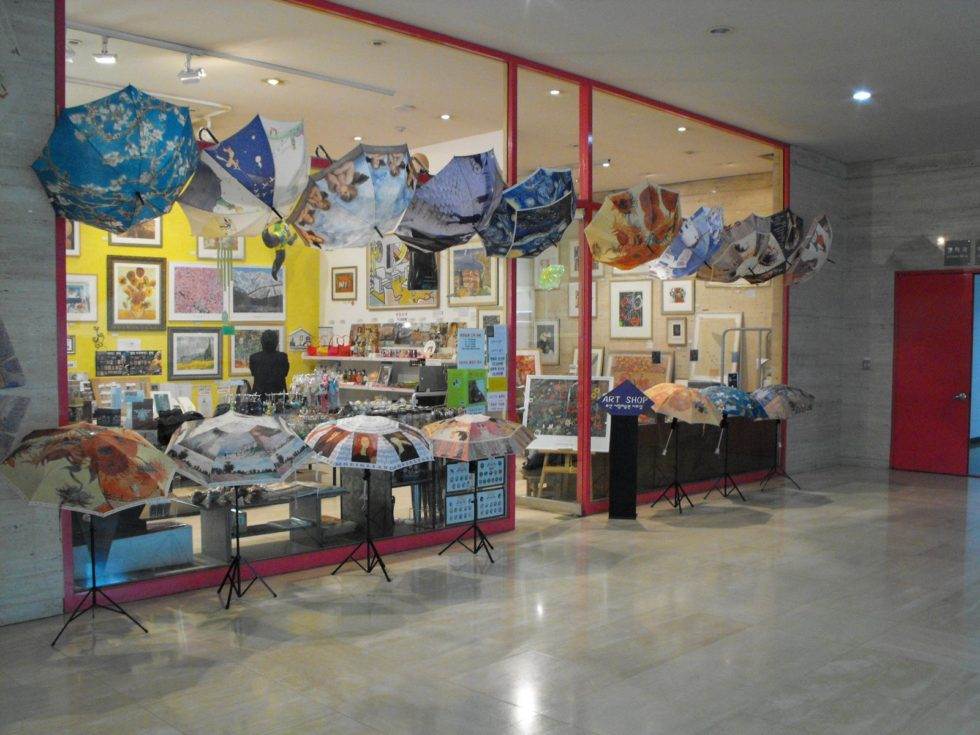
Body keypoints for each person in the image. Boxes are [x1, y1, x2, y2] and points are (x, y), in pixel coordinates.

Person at [249, 329, 289, 397]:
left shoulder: (254, 358)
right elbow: (285, 374)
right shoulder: (283, 357)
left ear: (261, 342)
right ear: (276, 342)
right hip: (279, 396)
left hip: (259, 396)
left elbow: (253, 373)